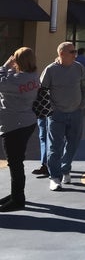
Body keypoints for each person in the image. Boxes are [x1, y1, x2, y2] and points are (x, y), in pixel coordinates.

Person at [40, 41, 85, 191]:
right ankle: (55, 177)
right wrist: (51, 108)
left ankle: (65, 168)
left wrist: (82, 104)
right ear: (61, 54)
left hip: (75, 112)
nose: (75, 54)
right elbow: (42, 91)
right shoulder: (51, 70)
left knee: (73, 143)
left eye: (75, 51)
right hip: (56, 114)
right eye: (72, 52)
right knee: (55, 147)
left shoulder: (79, 68)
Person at [0, 47, 39, 212]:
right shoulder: (33, 76)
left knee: (15, 163)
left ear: (18, 61)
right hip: (27, 122)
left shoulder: (15, 79)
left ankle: (18, 199)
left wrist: (6, 65)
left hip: (14, 125)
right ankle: (15, 194)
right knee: (17, 162)